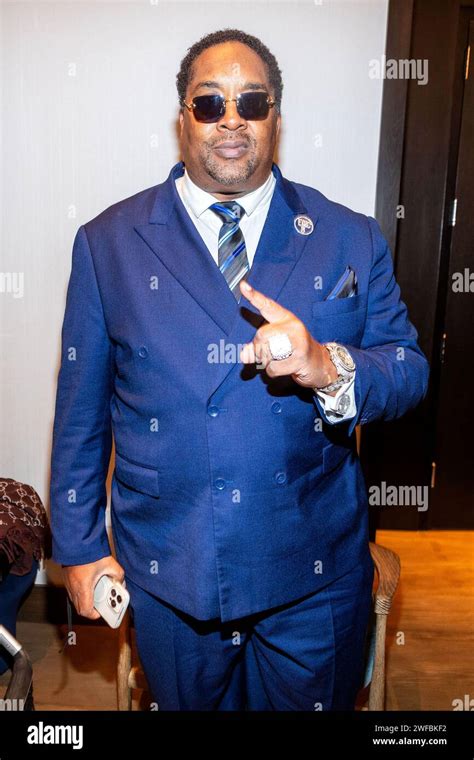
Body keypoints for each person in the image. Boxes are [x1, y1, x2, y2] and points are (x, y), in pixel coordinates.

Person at [49, 28, 430, 711]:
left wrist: (328, 366)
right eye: (210, 103)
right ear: (183, 118)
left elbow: (407, 369)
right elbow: (81, 414)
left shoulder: (347, 235)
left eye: (252, 102)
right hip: (174, 571)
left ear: (276, 117)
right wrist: (77, 548)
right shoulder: (108, 244)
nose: (231, 119)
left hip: (313, 573)